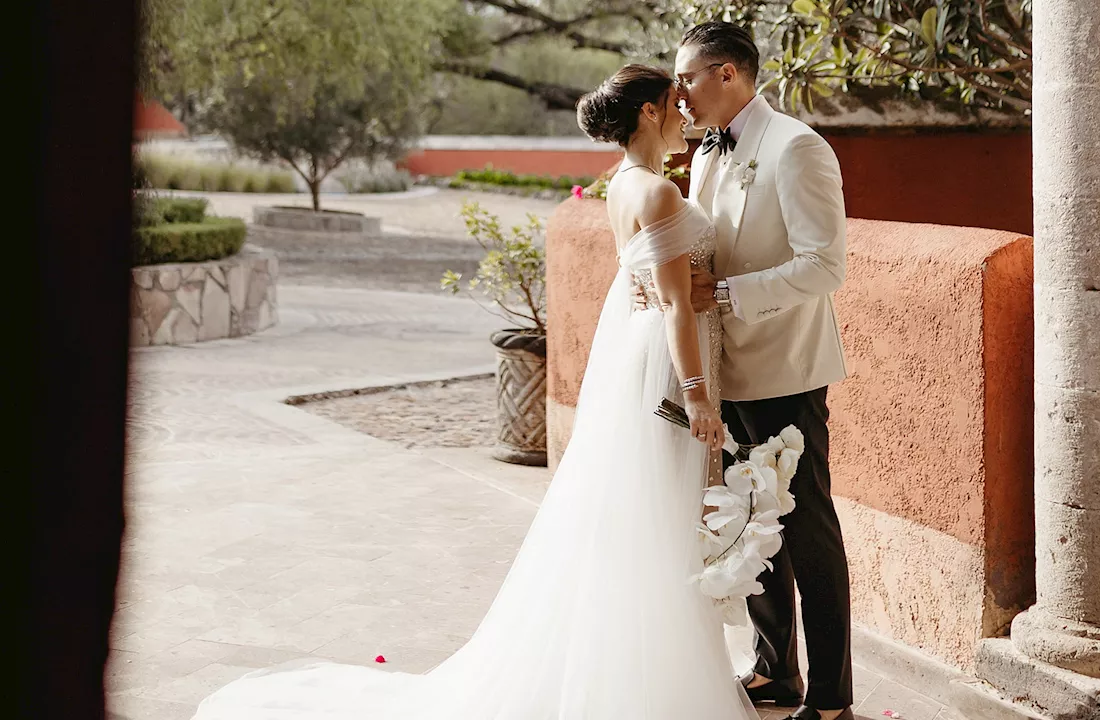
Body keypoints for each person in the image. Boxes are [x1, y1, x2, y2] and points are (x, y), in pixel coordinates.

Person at [189, 64, 757, 720]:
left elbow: (664, 289)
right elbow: (675, 306)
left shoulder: (621, 185)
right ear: (650, 114)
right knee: (659, 512)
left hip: (643, 355)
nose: (687, 111)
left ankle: (638, 666)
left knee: (642, 512)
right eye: (675, 103)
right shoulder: (656, 191)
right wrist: (697, 399)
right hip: (665, 367)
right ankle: (646, 680)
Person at [671, 21, 854, 720]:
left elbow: (824, 264)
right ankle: (776, 671)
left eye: (687, 77)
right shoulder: (707, 152)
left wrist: (719, 295)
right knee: (750, 527)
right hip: (728, 369)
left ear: (728, 75)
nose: (678, 93)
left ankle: (833, 696)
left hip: (787, 369)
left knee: (806, 529)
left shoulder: (798, 148)